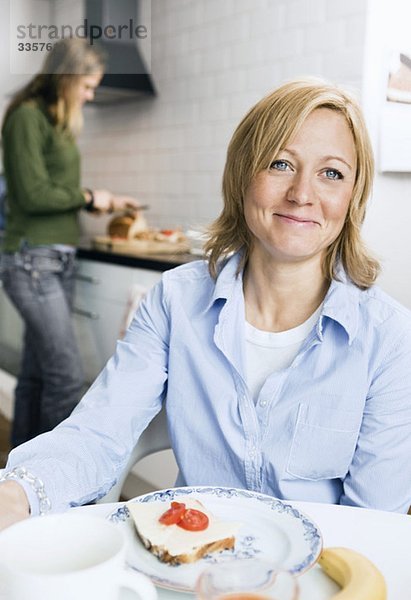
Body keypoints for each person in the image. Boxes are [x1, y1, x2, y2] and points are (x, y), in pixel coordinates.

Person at [1, 77, 411, 531]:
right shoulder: (174, 301)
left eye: (331, 173)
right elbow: (99, 430)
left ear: (353, 195)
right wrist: (19, 494)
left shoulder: (390, 339)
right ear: (242, 176)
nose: (302, 194)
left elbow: (373, 524)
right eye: (279, 164)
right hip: (188, 560)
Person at [0, 38, 140, 448]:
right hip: (31, 259)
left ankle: (18, 479)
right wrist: (88, 197)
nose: (91, 94)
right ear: (66, 76)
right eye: (87, 85)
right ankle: (59, 485)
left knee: (38, 374)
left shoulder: (56, 121)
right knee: (65, 377)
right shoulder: (26, 117)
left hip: (56, 259)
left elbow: (53, 190)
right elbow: (31, 195)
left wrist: (97, 202)